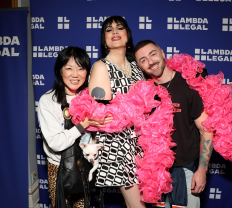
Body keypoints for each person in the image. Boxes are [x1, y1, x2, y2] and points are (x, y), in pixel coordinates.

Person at [134, 40, 214, 208]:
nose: (150, 62)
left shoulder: (187, 85)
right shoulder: (142, 93)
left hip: (186, 171)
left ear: (162, 53)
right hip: (155, 174)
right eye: (143, 60)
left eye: (153, 54)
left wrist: (202, 170)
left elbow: (206, 129)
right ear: (140, 67)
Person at [37, 46, 112, 208]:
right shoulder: (48, 100)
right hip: (58, 167)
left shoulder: (94, 98)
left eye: (81, 68)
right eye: (69, 68)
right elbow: (56, 143)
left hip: (85, 165)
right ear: (59, 71)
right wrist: (83, 124)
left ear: (87, 72)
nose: (75, 74)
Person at [88, 16, 146, 208]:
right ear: (104, 39)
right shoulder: (101, 66)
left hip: (140, 142)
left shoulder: (138, 68)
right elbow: (99, 113)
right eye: (108, 29)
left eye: (119, 28)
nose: (114, 32)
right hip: (117, 145)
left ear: (127, 36)